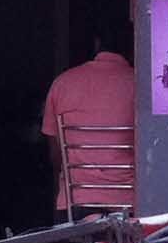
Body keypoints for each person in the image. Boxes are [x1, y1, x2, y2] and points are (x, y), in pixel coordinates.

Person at [40, 33, 135, 217]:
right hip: (129, 203)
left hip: (75, 203)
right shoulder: (140, 85)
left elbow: (55, 156)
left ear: (97, 44)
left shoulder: (62, 83)